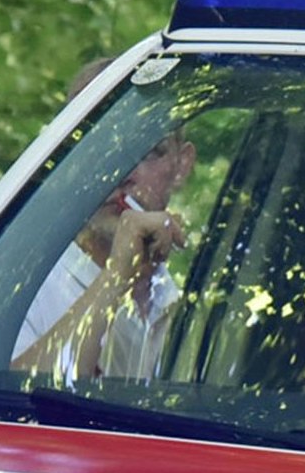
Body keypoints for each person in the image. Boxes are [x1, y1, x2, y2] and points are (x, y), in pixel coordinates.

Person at [12, 64, 196, 380]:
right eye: (100, 151)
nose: (122, 173)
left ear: (182, 165)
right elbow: (12, 407)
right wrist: (116, 277)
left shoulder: (184, 307)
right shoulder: (23, 288)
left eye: (149, 151)